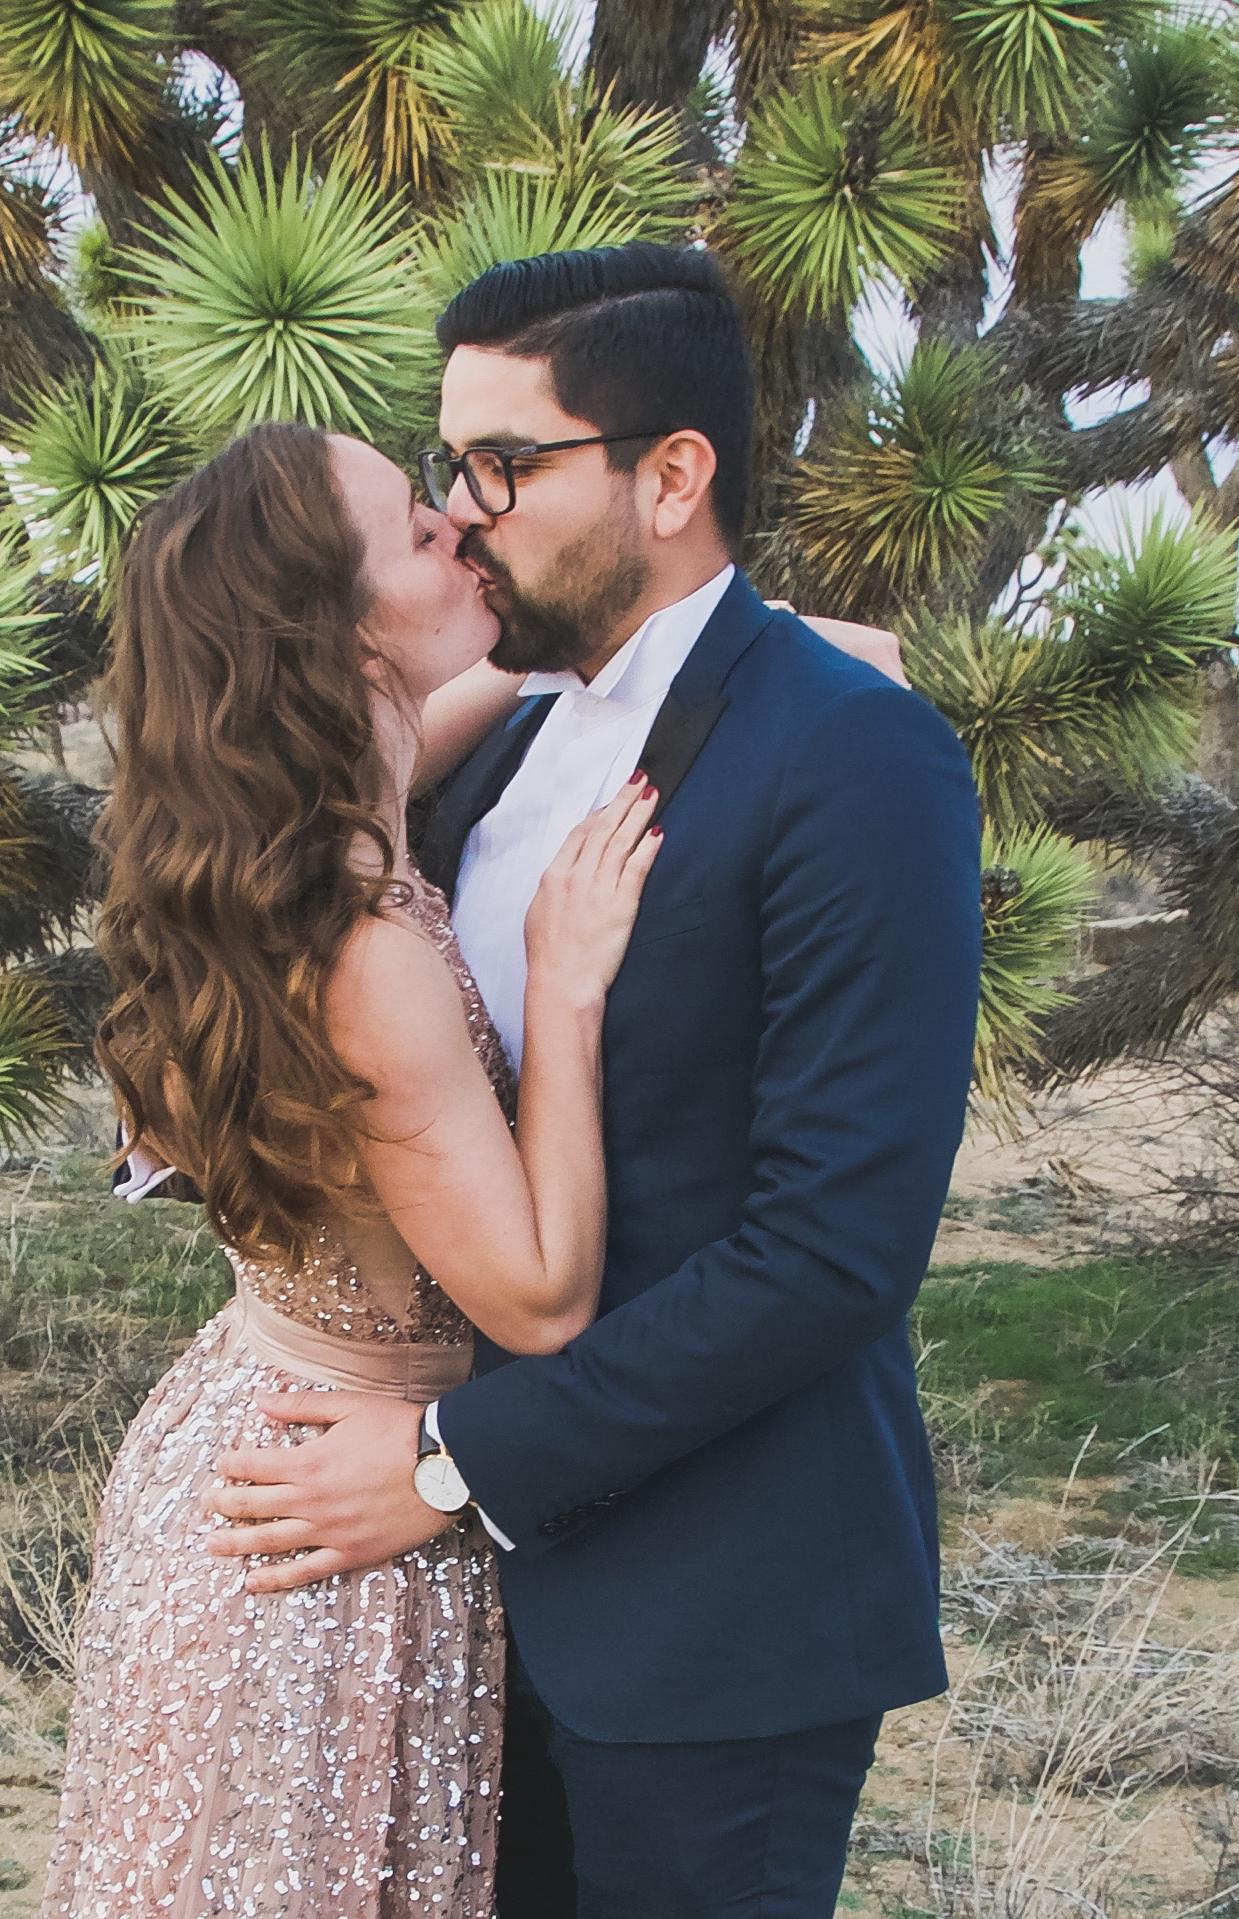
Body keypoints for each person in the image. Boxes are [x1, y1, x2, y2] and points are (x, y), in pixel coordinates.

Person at [201, 244, 985, 1917]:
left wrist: (446, 1462)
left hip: (716, 1614)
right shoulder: (502, 736)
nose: (463, 507)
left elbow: (835, 1251)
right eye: (447, 468)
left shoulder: (853, 754)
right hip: (460, 1625)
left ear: (671, 475)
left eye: (507, 464)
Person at [40, 417, 668, 1916]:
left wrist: (720, 640)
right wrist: (563, 986)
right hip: (333, 1510)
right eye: (413, 529)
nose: (459, 527)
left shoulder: (285, 822)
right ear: (330, 627)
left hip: (242, 1430)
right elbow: (533, 1300)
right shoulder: (364, 947)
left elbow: (485, 689)